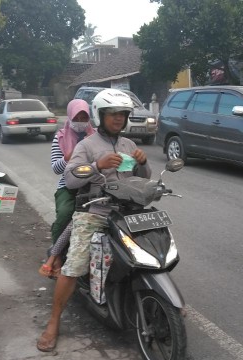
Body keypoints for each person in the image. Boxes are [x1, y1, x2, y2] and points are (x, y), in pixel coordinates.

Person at [36, 88, 151, 352]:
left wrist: (143, 163)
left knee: (155, 246)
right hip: (96, 211)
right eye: (113, 114)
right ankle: (54, 321)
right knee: (75, 265)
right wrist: (97, 166)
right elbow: (71, 177)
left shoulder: (128, 145)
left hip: (128, 210)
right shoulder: (85, 145)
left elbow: (142, 177)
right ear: (100, 116)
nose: (118, 119)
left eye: (122, 114)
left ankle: (162, 298)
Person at [39, 99, 94, 278]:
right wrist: (68, 157)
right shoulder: (60, 137)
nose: (80, 120)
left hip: (94, 185)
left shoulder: (96, 136)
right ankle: (57, 255)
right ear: (70, 116)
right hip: (68, 186)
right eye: (77, 117)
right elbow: (56, 168)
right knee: (65, 213)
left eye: (84, 117)